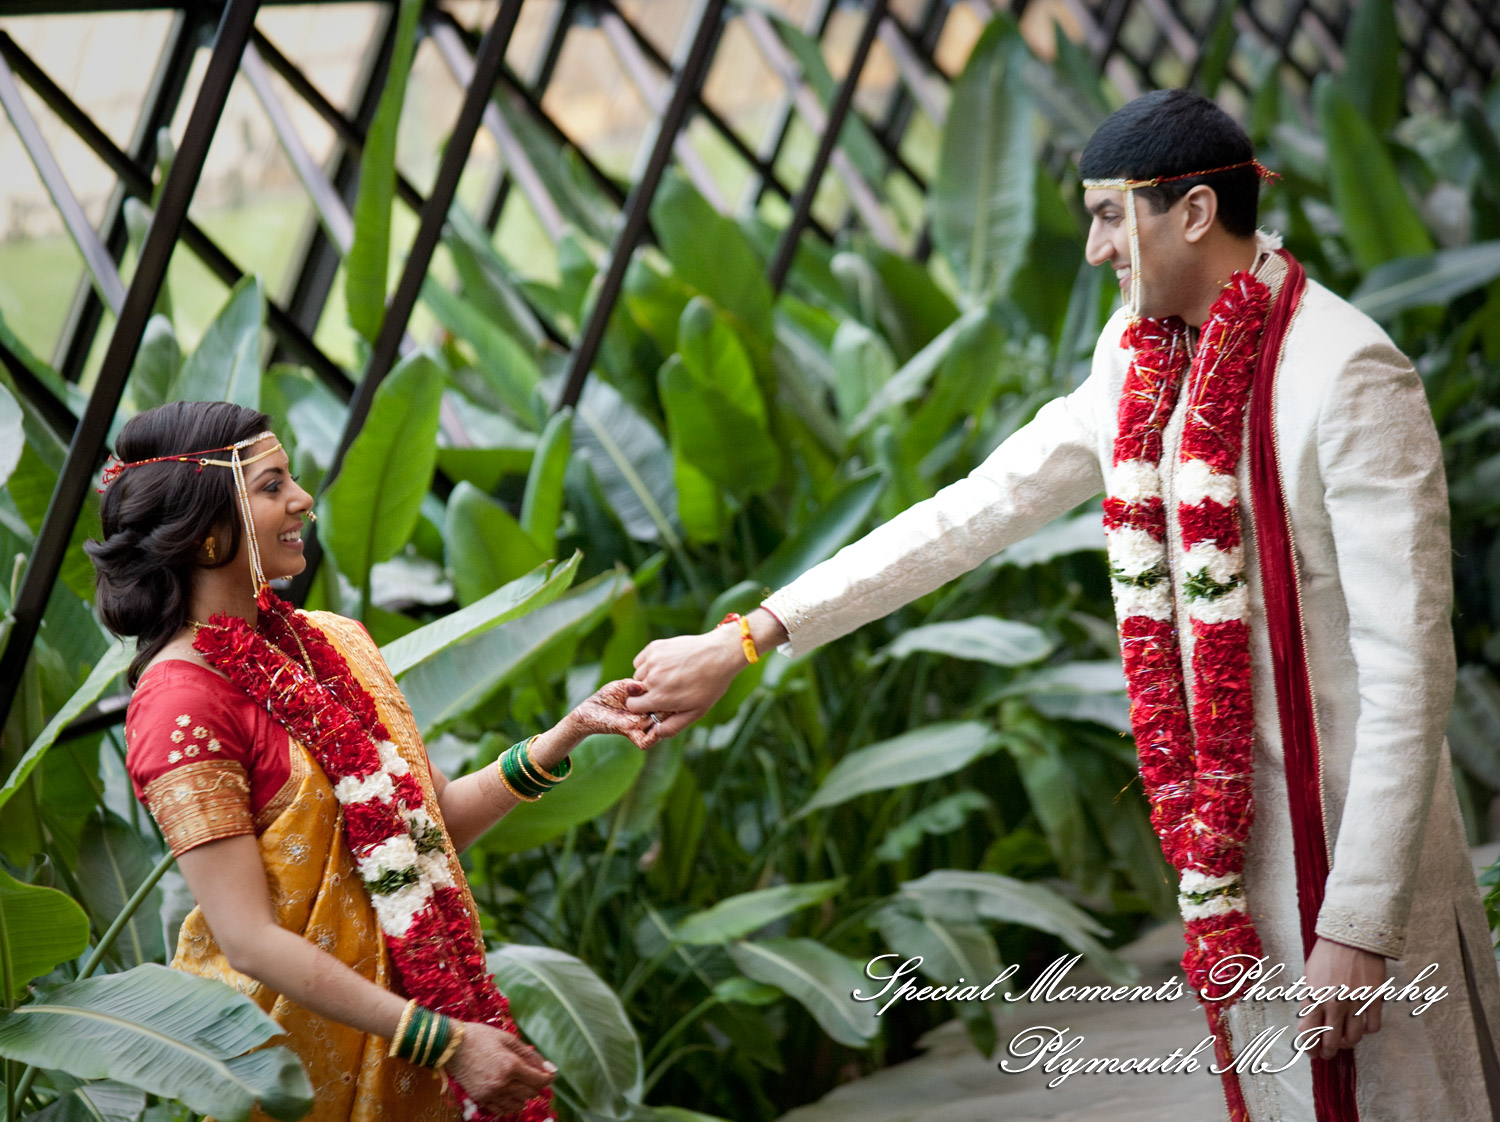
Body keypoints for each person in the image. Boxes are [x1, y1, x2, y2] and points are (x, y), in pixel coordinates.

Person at [627, 90, 1500, 1121]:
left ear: (1193, 214)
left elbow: (1408, 670)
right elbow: (973, 510)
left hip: (1351, 848)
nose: (1094, 252)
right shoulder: (1135, 360)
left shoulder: (1344, 372)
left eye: (1106, 215)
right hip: (1225, 847)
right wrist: (751, 635)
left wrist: (1361, 924)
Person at [87, 400, 661, 1122]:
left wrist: (569, 733)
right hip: (291, 1070)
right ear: (204, 531)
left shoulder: (332, 643)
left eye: (291, 479)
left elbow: (433, 824)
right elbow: (249, 941)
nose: (303, 502)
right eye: (271, 487)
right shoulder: (181, 702)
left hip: (418, 1042)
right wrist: (443, 1042)